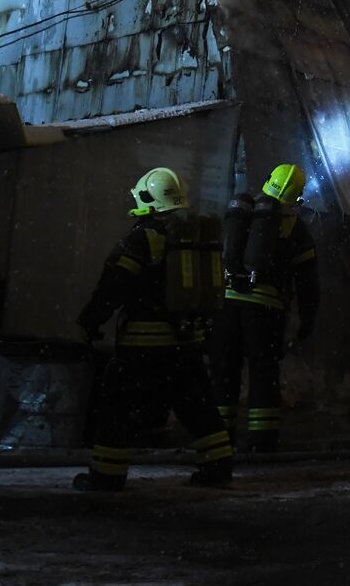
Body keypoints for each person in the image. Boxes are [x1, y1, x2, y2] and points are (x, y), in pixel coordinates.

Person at [73, 167, 233, 491]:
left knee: (117, 406)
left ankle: (107, 475)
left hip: (143, 345)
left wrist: (90, 320)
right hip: (188, 341)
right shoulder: (194, 235)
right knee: (197, 405)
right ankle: (218, 467)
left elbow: (113, 285)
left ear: (148, 199)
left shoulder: (142, 238)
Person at [210, 163, 319, 452]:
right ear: (298, 195)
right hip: (265, 309)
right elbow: (308, 279)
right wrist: (308, 318)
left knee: (225, 369)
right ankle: (262, 439)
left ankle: (219, 435)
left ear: (268, 180)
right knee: (263, 371)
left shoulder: (242, 211)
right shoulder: (295, 227)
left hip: (228, 304)